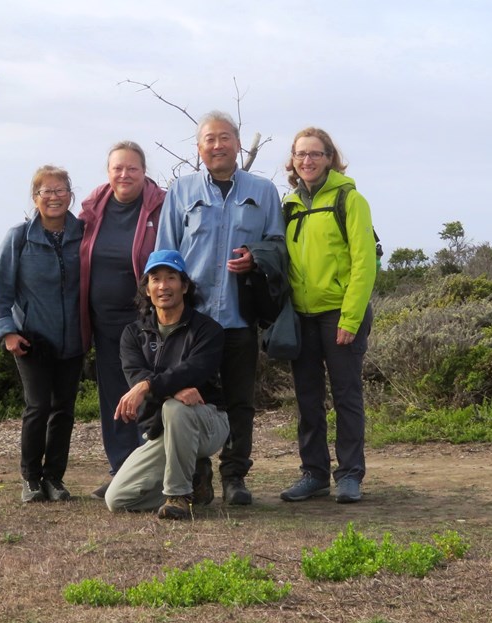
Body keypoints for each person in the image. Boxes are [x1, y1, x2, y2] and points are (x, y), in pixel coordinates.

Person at [156, 111, 284, 505]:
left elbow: (279, 246)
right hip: (192, 322)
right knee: (188, 397)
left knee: (240, 400)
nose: (217, 145)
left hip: (238, 317)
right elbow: (165, 255)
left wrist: (255, 257)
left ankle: (235, 477)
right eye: (209, 139)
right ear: (199, 149)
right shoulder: (180, 191)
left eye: (225, 137)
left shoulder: (263, 191)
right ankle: (198, 475)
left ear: (238, 143)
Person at [278, 127, 376, 504]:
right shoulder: (289, 204)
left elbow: (364, 263)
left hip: (339, 313)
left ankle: (350, 474)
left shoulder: (350, 200)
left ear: (330, 157)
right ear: (293, 160)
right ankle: (314, 473)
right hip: (301, 315)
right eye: (301, 154)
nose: (307, 160)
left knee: (347, 396)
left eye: (315, 154)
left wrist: (350, 318)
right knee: (307, 398)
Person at [104, 250, 230, 520]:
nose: (163, 286)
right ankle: (196, 481)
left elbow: (195, 369)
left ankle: (179, 496)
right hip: (162, 431)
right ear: (147, 290)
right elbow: (135, 375)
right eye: (155, 279)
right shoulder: (133, 334)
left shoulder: (208, 330)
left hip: (208, 421)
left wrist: (147, 387)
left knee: (176, 408)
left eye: (171, 277)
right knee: (117, 499)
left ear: (184, 286)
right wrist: (159, 387)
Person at [0, 165, 84, 503]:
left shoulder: (83, 234)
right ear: (35, 198)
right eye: (47, 191)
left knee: (64, 410)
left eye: (60, 190)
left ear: (71, 195)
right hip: (32, 341)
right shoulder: (19, 237)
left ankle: (54, 478)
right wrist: (7, 333)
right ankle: (30, 478)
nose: (55, 197)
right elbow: (0, 292)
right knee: (38, 407)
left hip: (73, 341)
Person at [80, 141, 166, 499]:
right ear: (108, 172)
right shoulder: (93, 209)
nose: (124, 174)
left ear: (144, 171)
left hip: (144, 320)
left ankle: (155, 473)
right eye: (118, 168)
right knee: (113, 396)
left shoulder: (161, 207)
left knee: (149, 392)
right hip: (103, 319)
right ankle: (120, 470)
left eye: (132, 168)